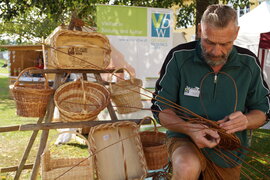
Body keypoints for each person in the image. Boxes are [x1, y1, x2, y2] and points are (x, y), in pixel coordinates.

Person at [151, 4, 270, 180]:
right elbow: (160, 108)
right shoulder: (179, 57)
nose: (216, 51)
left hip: (229, 150)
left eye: (225, 44)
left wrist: (246, 121)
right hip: (184, 139)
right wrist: (189, 129)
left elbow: (264, 111)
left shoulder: (249, 63)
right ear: (200, 30)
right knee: (186, 166)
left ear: (236, 33)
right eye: (209, 42)